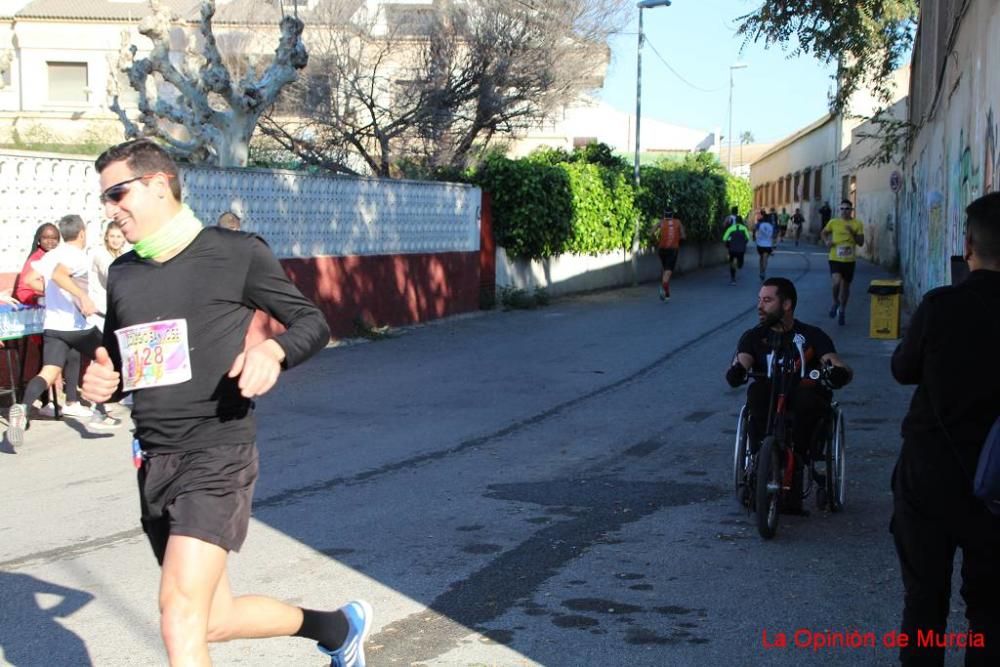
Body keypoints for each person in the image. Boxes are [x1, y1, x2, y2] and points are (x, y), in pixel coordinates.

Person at [80, 139, 369, 667]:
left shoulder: (235, 253)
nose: (110, 208)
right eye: (104, 197)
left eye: (118, 193)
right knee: (210, 618)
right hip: (153, 459)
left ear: (159, 184)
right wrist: (106, 380)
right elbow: (125, 362)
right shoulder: (124, 273)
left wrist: (273, 350)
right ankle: (338, 626)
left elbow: (312, 322)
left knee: (177, 612)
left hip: (217, 452)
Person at [889, 192, 1000, 667]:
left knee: (925, 602)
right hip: (997, 482)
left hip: (931, 472)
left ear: (968, 245)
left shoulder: (940, 306)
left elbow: (902, 369)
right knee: (991, 610)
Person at [725, 278, 853, 506]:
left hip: (802, 397)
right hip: (770, 398)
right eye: (759, 300)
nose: (759, 306)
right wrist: (737, 370)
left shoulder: (812, 335)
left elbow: (832, 360)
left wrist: (838, 372)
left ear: (786, 305)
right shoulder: (754, 336)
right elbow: (743, 359)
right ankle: (758, 458)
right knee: (757, 393)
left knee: (808, 398)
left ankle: (802, 455)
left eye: (767, 300)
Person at [6, 215, 122, 444]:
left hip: (53, 326)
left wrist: (52, 295)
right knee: (105, 359)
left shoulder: (52, 255)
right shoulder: (77, 256)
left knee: (48, 371)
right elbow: (60, 275)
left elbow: (29, 279)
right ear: (82, 233)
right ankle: (100, 413)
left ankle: (23, 409)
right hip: (77, 325)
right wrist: (80, 297)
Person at [821, 199, 865, 326]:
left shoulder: (857, 224)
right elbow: (824, 233)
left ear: (851, 210)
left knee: (845, 287)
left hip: (849, 260)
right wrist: (827, 241)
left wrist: (852, 232)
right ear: (839, 210)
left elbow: (861, 242)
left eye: (847, 209)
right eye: (842, 209)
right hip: (835, 258)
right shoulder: (833, 222)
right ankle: (835, 302)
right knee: (836, 282)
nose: (844, 211)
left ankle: (842, 310)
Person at [12, 223, 61, 305]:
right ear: (39, 239)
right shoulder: (34, 260)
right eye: (46, 238)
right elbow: (22, 291)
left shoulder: (59, 257)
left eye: (54, 238)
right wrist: (38, 300)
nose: (50, 241)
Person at [655, 208, 686, 302]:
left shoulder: (660, 222)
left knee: (666, 271)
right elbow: (684, 236)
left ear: (664, 215)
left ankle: (667, 294)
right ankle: (664, 290)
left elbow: (651, 232)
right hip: (672, 250)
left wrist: (659, 238)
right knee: (668, 272)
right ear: (672, 215)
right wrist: (677, 237)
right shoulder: (678, 222)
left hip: (662, 250)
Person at [722, 207, 751, 286]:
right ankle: (737, 263)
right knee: (740, 263)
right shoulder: (744, 228)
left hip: (731, 242)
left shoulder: (729, 219)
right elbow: (747, 238)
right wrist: (744, 244)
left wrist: (726, 244)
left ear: (731, 211)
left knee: (732, 259)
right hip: (740, 246)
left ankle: (733, 278)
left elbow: (724, 236)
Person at [753, 210, 776, 281]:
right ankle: (763, 271)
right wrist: (773, 245)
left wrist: (754, 236)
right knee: (765, 259)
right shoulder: (771, 226)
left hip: (760, 245)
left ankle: (761, 271)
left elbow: (754, 229)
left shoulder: (759, 224)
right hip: (768, 245)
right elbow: (774, 236)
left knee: (761, 258)